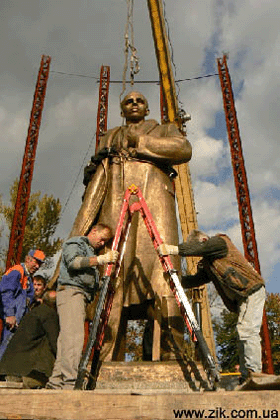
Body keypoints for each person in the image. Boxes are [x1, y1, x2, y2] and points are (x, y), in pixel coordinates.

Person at [80, 91, 192, 361]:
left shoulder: (163, 129)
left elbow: (183, 149)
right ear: (122, 109)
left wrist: (141, 142)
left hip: (154, 197)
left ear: (147, 107)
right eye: (128, 101)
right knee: (112, 271)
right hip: (115, 200)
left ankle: (172, 348)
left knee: (162, 269)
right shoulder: (109, 136)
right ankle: (105, 352)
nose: (134, 104)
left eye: (139, 100)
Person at [158, 229, 266, 384]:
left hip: (252, 290)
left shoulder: (219, 242)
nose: (199, 252)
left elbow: (199, 249)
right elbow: (198, 279)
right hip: (242, 296)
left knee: (247, 330)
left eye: (198, 247)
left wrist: (172, 250)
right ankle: (246, 374)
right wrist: (175, 280)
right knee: (242, 331)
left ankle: (254, 371)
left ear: (203, 241)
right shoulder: (209, 263)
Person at [46, 223, 118, 389]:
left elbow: (87, 280)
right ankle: (70, 383)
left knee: (66, 341)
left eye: (105, 242)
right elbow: (74, 263)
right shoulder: (76, 243)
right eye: (102, 239)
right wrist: (100, 260)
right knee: (74, 340)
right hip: (72, 293)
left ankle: (56, 382)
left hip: (78, 294)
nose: (102, 244)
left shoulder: (90, 252)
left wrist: (105, 284)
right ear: (93, 231)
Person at [0, 291, 59, 389]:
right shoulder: (49, 314)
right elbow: (55, 343)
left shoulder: (34, 312)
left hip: (10, 368)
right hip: (28, 372)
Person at [0, 249, 46, 360]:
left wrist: (35, 301)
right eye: (35, 262)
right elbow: (6, 293)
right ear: (27, 259)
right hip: (11, 319)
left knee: (10, 347)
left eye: (39, 264)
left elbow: (24, 299)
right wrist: (10, 314)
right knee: (6, 346)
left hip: (17, 320)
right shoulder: (17, 271)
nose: (37, 266)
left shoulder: (27, 277)